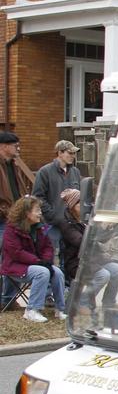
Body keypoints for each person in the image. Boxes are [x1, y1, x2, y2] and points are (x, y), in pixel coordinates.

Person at [56, 189, 118, 311]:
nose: (83, 206)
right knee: (103, 275)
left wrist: (109, 227)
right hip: (77, 261)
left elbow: (101, 239)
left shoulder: (87, 218)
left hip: (94, 259)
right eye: (79, 203)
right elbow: (80, 241)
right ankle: (81, 305)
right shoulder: (66, 222)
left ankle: (109, 303)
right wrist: (100, 227)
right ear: (72, 206)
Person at [1, 196, 66, 323]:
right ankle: (32, 310)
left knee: (57, 272)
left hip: (36, 264)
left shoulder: (40, 228)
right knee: (42, 272)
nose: (40, 213)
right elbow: (16, 253)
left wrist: (46, 261)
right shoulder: (11, 229)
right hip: (14, 266)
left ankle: (60, 309)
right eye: (37, 210)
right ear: (26, 213)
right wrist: (38, 262)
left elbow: (48, 247)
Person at [31, 139, 82, 263]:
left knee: (69, 257)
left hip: (71, 224)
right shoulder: (45, 171)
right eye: (70, 153)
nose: (73, 156)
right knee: (52, 257)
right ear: (59, 153)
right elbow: (38, 197)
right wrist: (54, 216)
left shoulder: (75, 172)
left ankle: (67, 283)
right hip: (52, 224)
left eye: (74, 153)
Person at [0, 132, 34, 308]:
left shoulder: (14, 165)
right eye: (15, 146)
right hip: (2, 220)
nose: (17, 149)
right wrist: (6, 212)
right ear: (4, 146)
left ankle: (9, 299)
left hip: (15, 220)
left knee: (14, 258)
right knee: (4, 259)